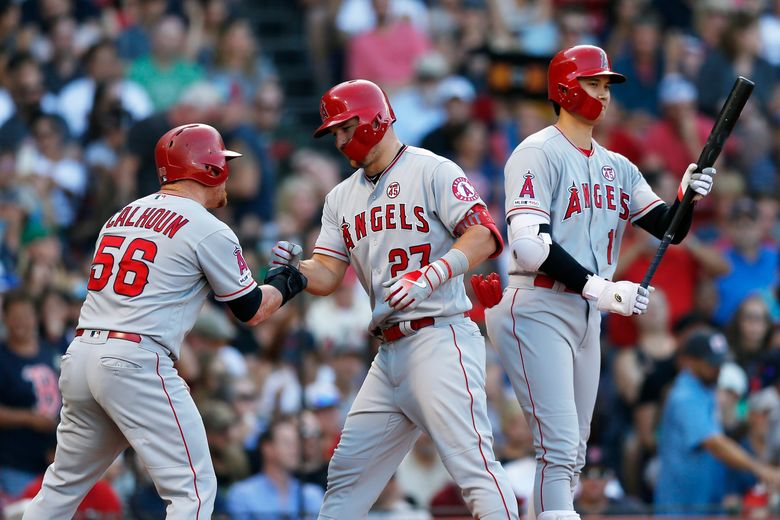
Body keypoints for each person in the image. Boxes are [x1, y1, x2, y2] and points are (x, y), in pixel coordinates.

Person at [475, 45, 717, 520]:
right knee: (561, 446)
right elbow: (529, 246)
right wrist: (601, 289)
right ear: (565, 88)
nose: (604, 93)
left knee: (572, 454)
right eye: (594, 83)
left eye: (606, 85)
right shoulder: (536, 151)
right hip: (536, 303)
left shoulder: (619, 165)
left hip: (586, 311)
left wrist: (687, 195)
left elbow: (670, 228)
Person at [22, 123, 307, 519]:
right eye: (221, 161)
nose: (227, 169)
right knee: (195, 488)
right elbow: (252, 310)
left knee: (61, 487)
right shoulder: (208, 227)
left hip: (82, 355)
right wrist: (286, 282)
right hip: (133, 360)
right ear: (208, 168)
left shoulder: (122, 214)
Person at [272, 79, 519, 519]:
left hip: (439, 336)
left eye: (345, 128)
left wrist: (433, 273)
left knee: (474, 469)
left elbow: (484, 234)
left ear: (375, 117)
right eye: (335, 133)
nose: (341, 140)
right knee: (346, 477)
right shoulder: (340, 197)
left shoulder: (431, 169)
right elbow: (328, 274)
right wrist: (296, 267)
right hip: (388, 352)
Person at [654, 330, 780, 514]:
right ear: (691, 361)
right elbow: (714, 443)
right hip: (681, 508)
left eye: (721, 363)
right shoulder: (685, 396)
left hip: (706, 504)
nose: (718, 369)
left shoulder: (706, 389)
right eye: (712, 363)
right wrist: (759, 468)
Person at [225, 418, 324, 518]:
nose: (295, 449)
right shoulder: (242, 494)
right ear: (267, 448)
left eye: (297, 443)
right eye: (287, 443)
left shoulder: (312, 495)